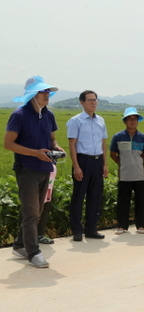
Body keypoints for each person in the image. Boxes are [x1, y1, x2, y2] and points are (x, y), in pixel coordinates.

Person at [5, 76, 63, 268]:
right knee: (31, 213)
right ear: (32, 94)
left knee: (36, 213)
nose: (47, 95)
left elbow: (52, 139)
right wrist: (35, 154)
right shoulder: (19, 115)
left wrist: (57, 148)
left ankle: (19, 245)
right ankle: (33, 252)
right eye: (42, 92)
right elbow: (8, 144)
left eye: (48, 92)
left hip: (45, 168)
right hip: (27, 170)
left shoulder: (49, 115)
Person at [67, 90, 109, 242]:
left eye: (95, 99)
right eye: (90, 100)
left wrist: (105, 164)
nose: (93, 102)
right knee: (79, 197)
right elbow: (72, 145)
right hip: (82, 161)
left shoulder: (101, 121)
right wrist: (76, 166)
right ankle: (77, 230)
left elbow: (103, 143)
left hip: (97, 161)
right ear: (82, 102)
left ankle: (91, 229)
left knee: (95, 197)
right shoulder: (75, 121)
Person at [110, 108, 144, 234]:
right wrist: (123, 164)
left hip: (140, 176)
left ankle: (140, 225)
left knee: (141, 202)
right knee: (123, 203)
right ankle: (122, 226)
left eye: (135, 119)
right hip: (124, 176)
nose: (132, 121)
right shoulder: (117, 137)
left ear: (138, 121)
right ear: (125, 121)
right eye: (129, 119)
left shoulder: (143, 138)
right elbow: (113, 154)